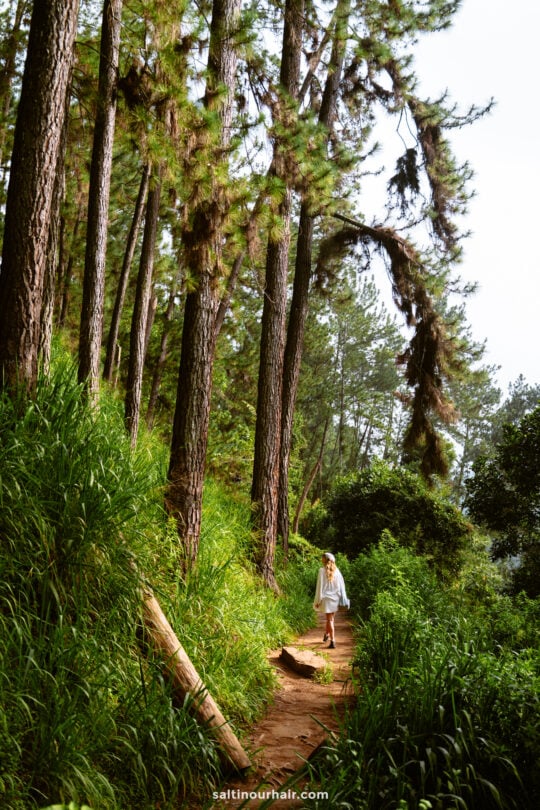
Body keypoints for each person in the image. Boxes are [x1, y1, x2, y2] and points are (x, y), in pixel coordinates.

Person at [313, 552, 349, 649]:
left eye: (322, 558)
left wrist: (318, 600)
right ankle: (326, 634)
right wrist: (342, 597)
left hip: (326, 599)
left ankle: (332, 640)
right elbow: (342, 586)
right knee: (330, 619)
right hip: (335, 598)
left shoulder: (321, 571)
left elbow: (319, 587)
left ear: (325, 560)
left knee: (330, 620)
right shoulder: (337, 571)